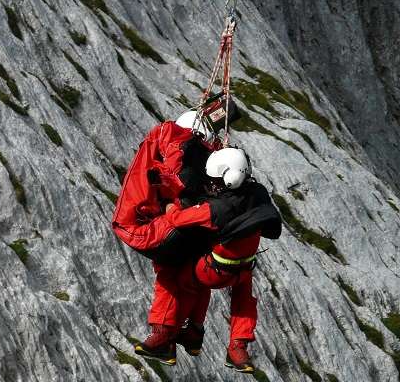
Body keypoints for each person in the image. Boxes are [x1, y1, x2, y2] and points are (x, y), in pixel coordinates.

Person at [111, 96, 239, 365]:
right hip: (156, 226)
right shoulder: (189, 149)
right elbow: (177, 179)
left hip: (142, 226)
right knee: (186, 268)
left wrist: (174, 204)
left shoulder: (176, 139)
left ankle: (167, 336)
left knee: (174, 270)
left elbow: (174, 178)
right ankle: (184, 331)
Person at [173, 147, 282, 373]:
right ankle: (238, 348)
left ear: (228, 180)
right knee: (243, 300)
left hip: (214, 271)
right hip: (244, 269)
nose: (212, 185)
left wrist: (170, 206)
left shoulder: (218, 208)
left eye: (215, 181)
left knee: (185, 281)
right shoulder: (258, 193)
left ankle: (181, 331)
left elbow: (179, 219)